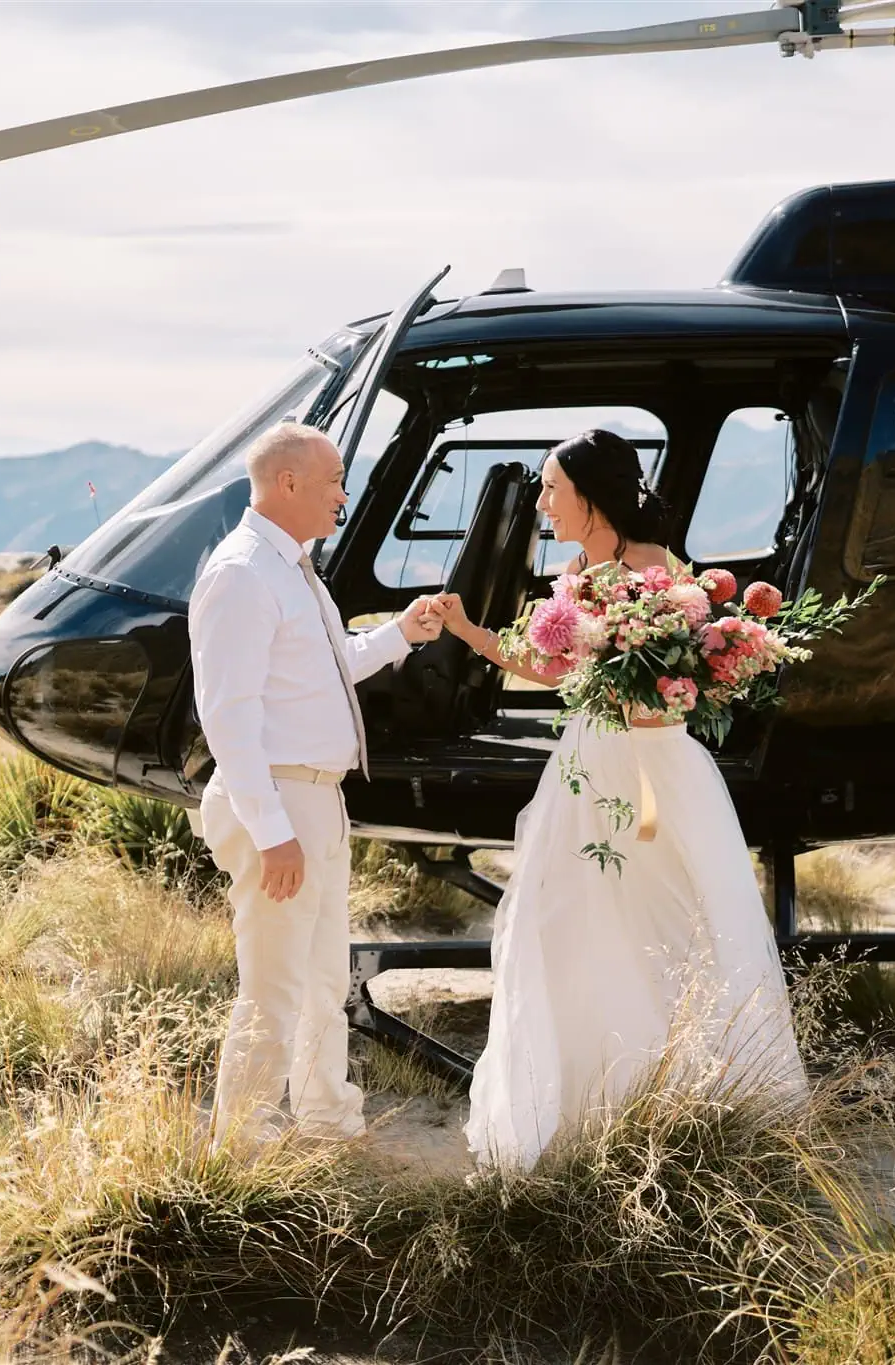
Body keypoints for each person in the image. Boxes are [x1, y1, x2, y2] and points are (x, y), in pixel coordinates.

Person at [429, 428, 809, 1169]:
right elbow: (551, 667)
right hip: (588, 767)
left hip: (658, 773)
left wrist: (666, 688)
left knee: (669, 923)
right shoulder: (574, 573)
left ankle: (683, 1102)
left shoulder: (658, 568)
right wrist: (469, 631)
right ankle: (583, 1106)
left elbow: (689, 672)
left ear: (591, 496)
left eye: (551, 489)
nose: (543, 503)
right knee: (569, 923)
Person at [189, 421, 444, 1147]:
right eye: (335, 480)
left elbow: (331, 668)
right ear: (288, 482)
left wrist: (401, 632)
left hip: (319, 800)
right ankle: (241, 1148)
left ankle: (327, 1122)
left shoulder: (292, 569)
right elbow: (228, 717)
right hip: (279, 802)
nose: (343, 495)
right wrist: (272, 832)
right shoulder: (242, 574)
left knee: (325, 981)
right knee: (273, 989)